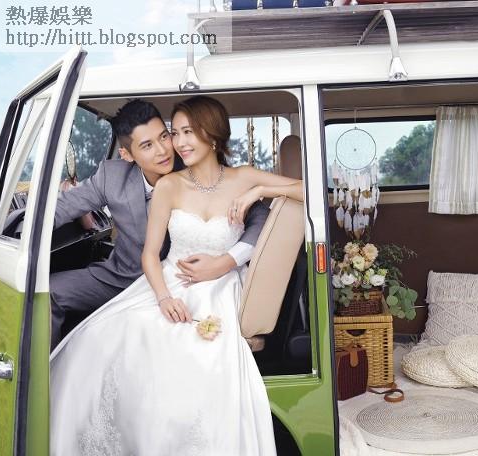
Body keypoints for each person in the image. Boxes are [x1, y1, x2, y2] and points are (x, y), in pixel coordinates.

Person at [50, 95, 303, 455]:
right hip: (147, 278)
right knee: (97, 338)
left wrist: (259, 194)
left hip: (216, 284)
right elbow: (143, 250)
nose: (173, 146)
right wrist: (164, 297)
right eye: (174, 134)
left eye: (175, 135)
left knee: (181, 346)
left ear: (211, 135)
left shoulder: (241, 178)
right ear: (128, 154)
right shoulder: (154, 182)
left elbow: (289, 201)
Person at [50, 100, 269, 349]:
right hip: (121, 277)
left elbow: (259, 217)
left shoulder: (196, 164)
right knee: (49, 293)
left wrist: (227, 260)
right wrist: (22, 231)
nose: (163, 150)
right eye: (147, 145)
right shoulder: (111, 175)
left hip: (181, 282)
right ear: (127, 155)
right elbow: (64, 207)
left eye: (164, 136)